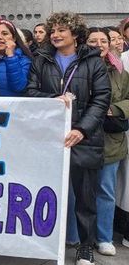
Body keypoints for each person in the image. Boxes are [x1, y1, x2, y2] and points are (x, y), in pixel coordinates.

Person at [26, 12, 110, 265]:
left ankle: (85, 247)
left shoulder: (93, 62)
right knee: (45, 192)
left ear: (75, 34)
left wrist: (82, 130)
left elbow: (101, 99)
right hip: (48, 137)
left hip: (84, 139)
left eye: (62, 30)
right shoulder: (41, 59)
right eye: (53, 30)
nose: (55, 34)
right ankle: (46, 242)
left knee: (85, 198)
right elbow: (30, 92)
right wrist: (53, 100)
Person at [75, 28, 129, 257]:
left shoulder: (120, 71)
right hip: (83, 138)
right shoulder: (77, 67)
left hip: (110, 141)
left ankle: (104, 237)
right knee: (79, 191)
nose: (99, 45)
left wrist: (114, 108)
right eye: (93, 41)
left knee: (105, 191)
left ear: (110, 43)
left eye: (103, 41)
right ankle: (77, 236)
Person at [0, 19, 32, 97]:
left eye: (5, 34)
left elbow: (18, 87)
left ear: (14, 38)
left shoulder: (24, 60)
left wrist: (11, 57)